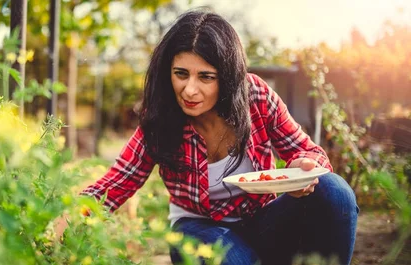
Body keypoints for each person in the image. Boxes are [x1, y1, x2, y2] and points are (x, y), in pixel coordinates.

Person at [60, 9, 359, 265]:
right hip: (197, 228)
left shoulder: (255, 95)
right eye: (181, 74)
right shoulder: (161, 117)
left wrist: (303, 166)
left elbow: (309, 153)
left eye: (206, 77)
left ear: (226, 77)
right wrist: (61, 219)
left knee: (334, 192)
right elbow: (116, 183)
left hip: (262, 220)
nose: (190, 90)